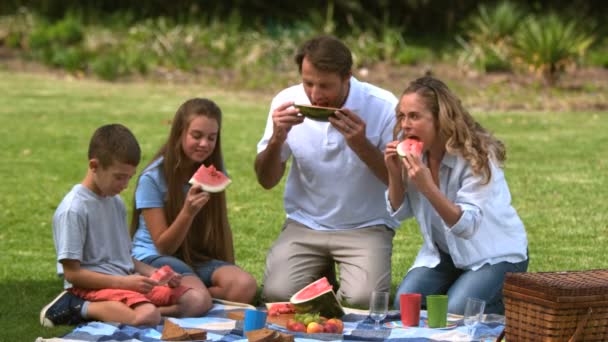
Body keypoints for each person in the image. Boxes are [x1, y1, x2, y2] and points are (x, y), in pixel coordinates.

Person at [254, 35, 400, 307]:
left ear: (347, 78)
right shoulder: (286, 101)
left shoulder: (383, 106)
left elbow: (398, 183)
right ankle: (319, 273)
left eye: (325, 85)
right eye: (308, 83)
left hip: (366, 225)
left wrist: (361, 145)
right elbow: (266, 180)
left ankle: (325, 276)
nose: (315, 95)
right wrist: (277, 139)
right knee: (277, 295)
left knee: (362, 300)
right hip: (306, 222)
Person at [40, 124, 210, 328]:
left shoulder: (116, 202)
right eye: (119, 177)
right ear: (94, 166)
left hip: (124, 281)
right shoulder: (73, 209)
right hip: (90, 288)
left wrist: (156, 274)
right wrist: (124, 283)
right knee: (146, 317)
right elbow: (72, 274)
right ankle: (75, 306)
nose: (125, 185)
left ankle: (142, 313)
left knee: (198, 301)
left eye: (129, 177)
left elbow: (124, 257)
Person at [385, 76, 529, 315]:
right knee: (404, 306)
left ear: (440, 120)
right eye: (401, 116)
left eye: (414, 116)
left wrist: (428, 187)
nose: (405, 125)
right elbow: (400, 213)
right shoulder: (413, 151)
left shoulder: (478, 156)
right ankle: (465, 291)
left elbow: (466, 226)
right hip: (445, 254)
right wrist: (393, 174)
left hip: (494, 254)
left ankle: (512, 301)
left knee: (454, 311)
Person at [130, 98, 257, 304]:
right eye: (196, 136)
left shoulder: (212, 169)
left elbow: (221, 225)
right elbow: (164, 247)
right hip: (153, 259)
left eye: (212, 138)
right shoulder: (152, 179)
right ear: (179, 133)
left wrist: (230, 267)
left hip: (194, 258)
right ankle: (190, 295)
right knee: (197, 296)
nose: (204, 144)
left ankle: (188, 295)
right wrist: (187, 212)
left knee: (245, 286)